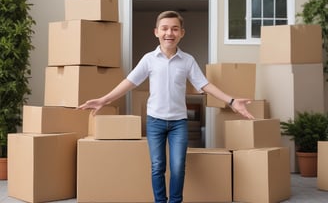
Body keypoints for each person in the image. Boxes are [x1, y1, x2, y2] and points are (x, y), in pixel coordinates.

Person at [78, 10, 254, 203]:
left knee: (178, 166)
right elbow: (129, 82)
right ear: (156, 32)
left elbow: (205, 85)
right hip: (155, 121)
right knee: (157, 165)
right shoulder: (149, 59)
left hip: (179, 123)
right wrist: (104, 99)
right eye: (165, 28)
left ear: (182, 33)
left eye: (174, 29)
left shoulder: (187, 60)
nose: (169, 33)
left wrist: (231, 101)